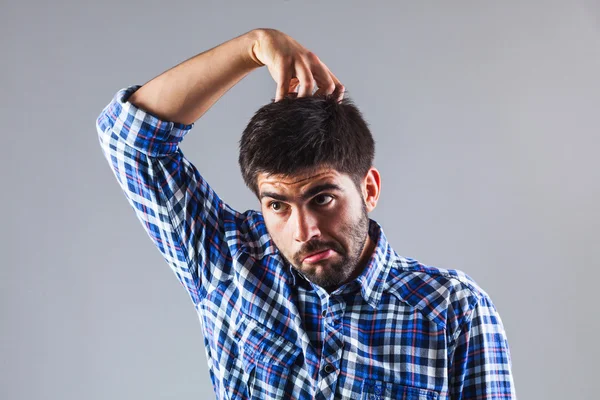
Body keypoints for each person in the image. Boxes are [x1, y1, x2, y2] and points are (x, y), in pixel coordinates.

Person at [95, 28, 516, 400]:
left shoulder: (451, 311)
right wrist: (252, 47)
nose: (304, 231)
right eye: (277, 205)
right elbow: (129, 139)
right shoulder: (229, 266)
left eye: (322, 198)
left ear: (368, 189)